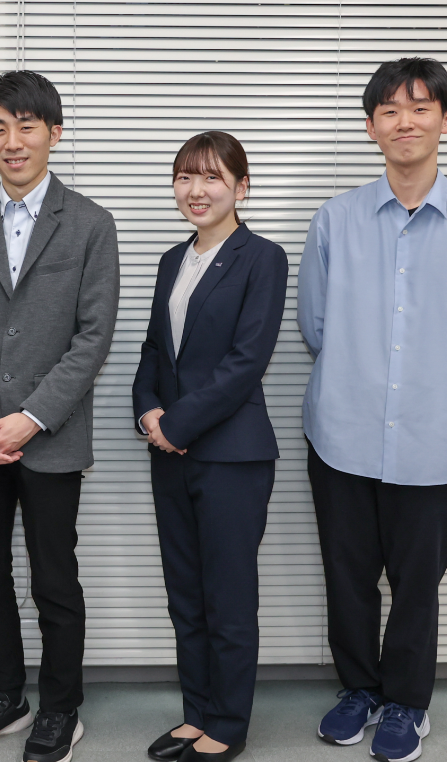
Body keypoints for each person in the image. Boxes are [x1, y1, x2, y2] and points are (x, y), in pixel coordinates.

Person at [298, 57, 447, 762]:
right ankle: (359, 689)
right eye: (389, 110)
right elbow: (315, 325)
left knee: (418, 584)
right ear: (371, 127)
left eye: (420, 108)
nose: (405, 122)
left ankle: (407, 703)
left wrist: (429, 383)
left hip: (430, 435)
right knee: (348, 576)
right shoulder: (336, 219)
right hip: (341, 431)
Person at [0, 70, 120, 762]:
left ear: (54, 133)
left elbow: (92, 339)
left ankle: (61, 708)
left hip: (51, 439)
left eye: (26, 126)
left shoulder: (91, 224)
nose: (12, 141)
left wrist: (32, 417)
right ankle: (6, 697)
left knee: (54, 579)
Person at [132, 132, 287, 762]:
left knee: (228, 596)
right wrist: (148, 410)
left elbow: (247, 362)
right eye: (185, 177)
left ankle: (228, 722)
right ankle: (197, 712)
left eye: (211, 177)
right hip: (169, 452)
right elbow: (154, 350)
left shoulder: (262, 257)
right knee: (186, 594)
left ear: (241, 187)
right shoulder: (173, 259)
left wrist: (177, 425)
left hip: (232, 456)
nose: (196, 190)